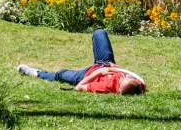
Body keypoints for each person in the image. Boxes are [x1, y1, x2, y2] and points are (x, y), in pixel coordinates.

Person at [18, 29, 146, 96]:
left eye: (121, 79)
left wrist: (99, 72)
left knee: (61, 74)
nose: (122, 75)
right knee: (99, 33)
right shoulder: (138, 84)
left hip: (86, 75)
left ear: (118, 89)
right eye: (126, 76)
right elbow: (129, 76)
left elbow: (79, 87)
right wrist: (115, 68)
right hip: (105, 63)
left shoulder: (105, 87)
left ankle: (36, 73)